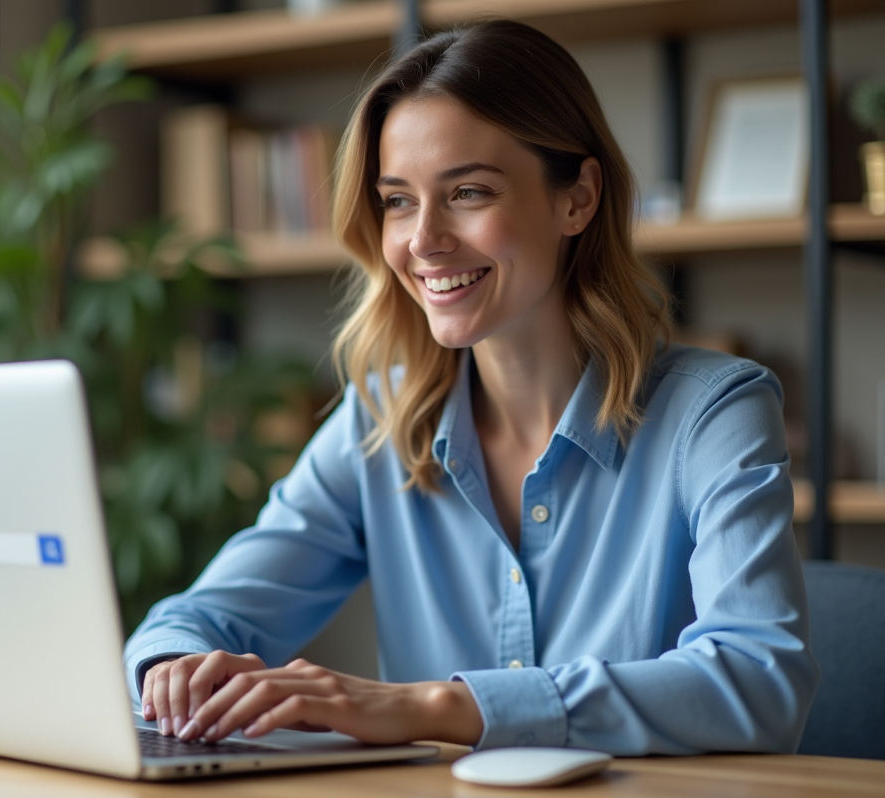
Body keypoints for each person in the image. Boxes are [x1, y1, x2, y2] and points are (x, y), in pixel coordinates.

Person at [125, 19, 818, 754]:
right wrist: (176, 669)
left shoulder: (714, 413)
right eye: (397, 200)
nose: (423, 239)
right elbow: (201, 616)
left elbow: (759, 681)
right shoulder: (381, 419)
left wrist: (432, 707)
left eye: (468, 192)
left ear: (577, 199)